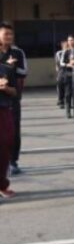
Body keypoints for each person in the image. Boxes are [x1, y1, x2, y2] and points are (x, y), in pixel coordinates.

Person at [0, 23, 27, 176]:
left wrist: (12, 68)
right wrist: (6, 65)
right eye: (5, 34)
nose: (9, 37)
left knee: (13, 131)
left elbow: (23, 72)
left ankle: (13, 161)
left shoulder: (17, 52)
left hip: (12, 96)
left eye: (11, 34)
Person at [0, 56, 18, 198]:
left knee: (5, 147)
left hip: (4, 111)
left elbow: (14, 91)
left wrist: (6, 88)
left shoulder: (6, 69)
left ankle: (2, 185)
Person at [60, 35, 74, 119]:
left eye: (72, 40)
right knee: (68, 94)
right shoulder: (66, 51)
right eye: (69, 40)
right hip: (68, 75)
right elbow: (61, 63)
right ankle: (68, 111)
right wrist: (68, 64)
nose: (70, 42)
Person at [55, 40, 68, 108]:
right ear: (62, 46)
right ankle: (61, 101)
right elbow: (59, 63)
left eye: (67, 44)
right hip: (61, 71)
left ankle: (68, 102)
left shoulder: (71, 52)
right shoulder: (59, 53)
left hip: (69, 72)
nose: (67, 46)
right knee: (60, 87)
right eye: (65, 45)